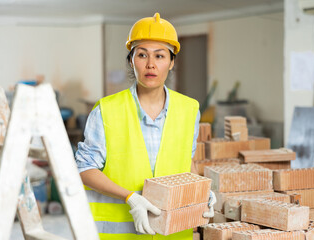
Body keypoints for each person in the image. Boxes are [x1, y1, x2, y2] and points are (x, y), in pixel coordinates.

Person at [75, 13, 216, 240]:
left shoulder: (189, 109)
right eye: (142, 55)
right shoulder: (106, 110)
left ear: (171, 63)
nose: (151, 64)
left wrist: (200, 192)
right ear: (132, 60)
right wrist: (130, 197)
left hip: (173, 235)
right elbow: (84, 169)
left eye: (159, 56)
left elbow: (186, 162)